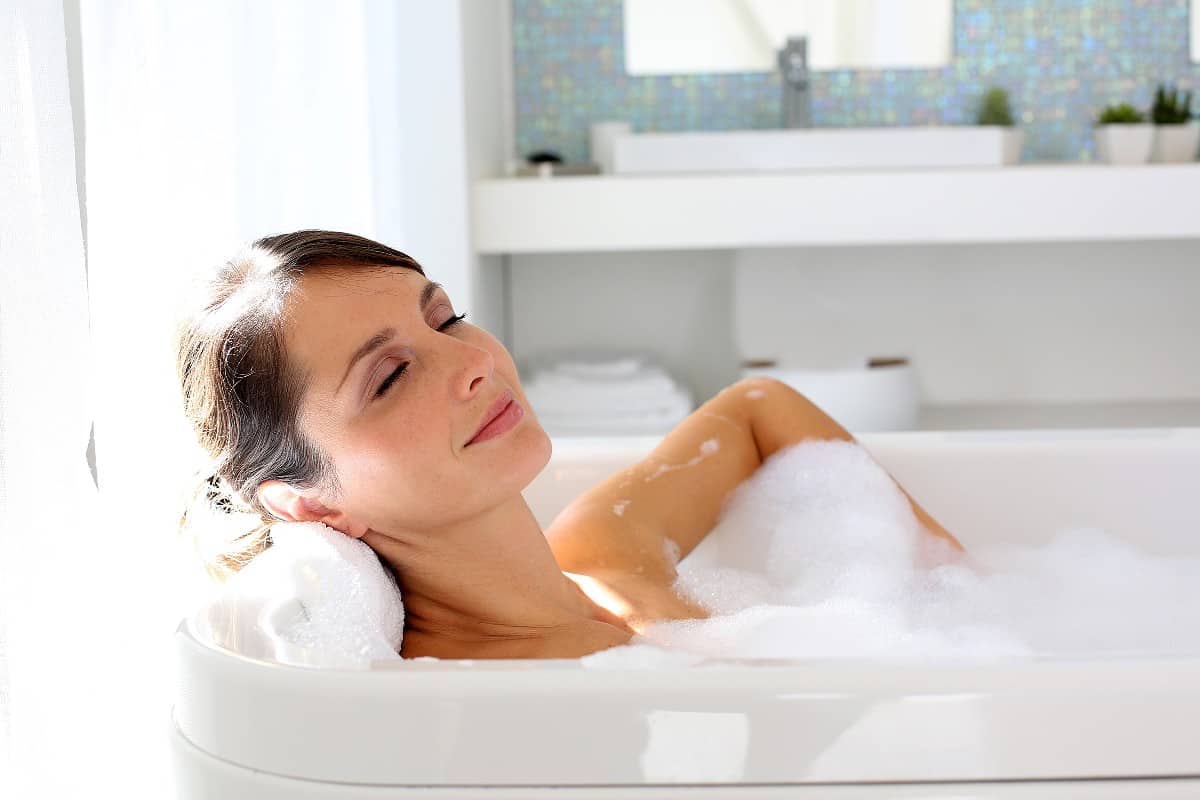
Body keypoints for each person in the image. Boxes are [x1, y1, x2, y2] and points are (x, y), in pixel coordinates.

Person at [176, 230, 964, 660]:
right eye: (389, 377)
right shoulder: (468, 707)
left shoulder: (602, 556)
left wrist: (949, 598)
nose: (476, 362)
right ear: (310, 502)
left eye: (445, 317)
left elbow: (762, 405)